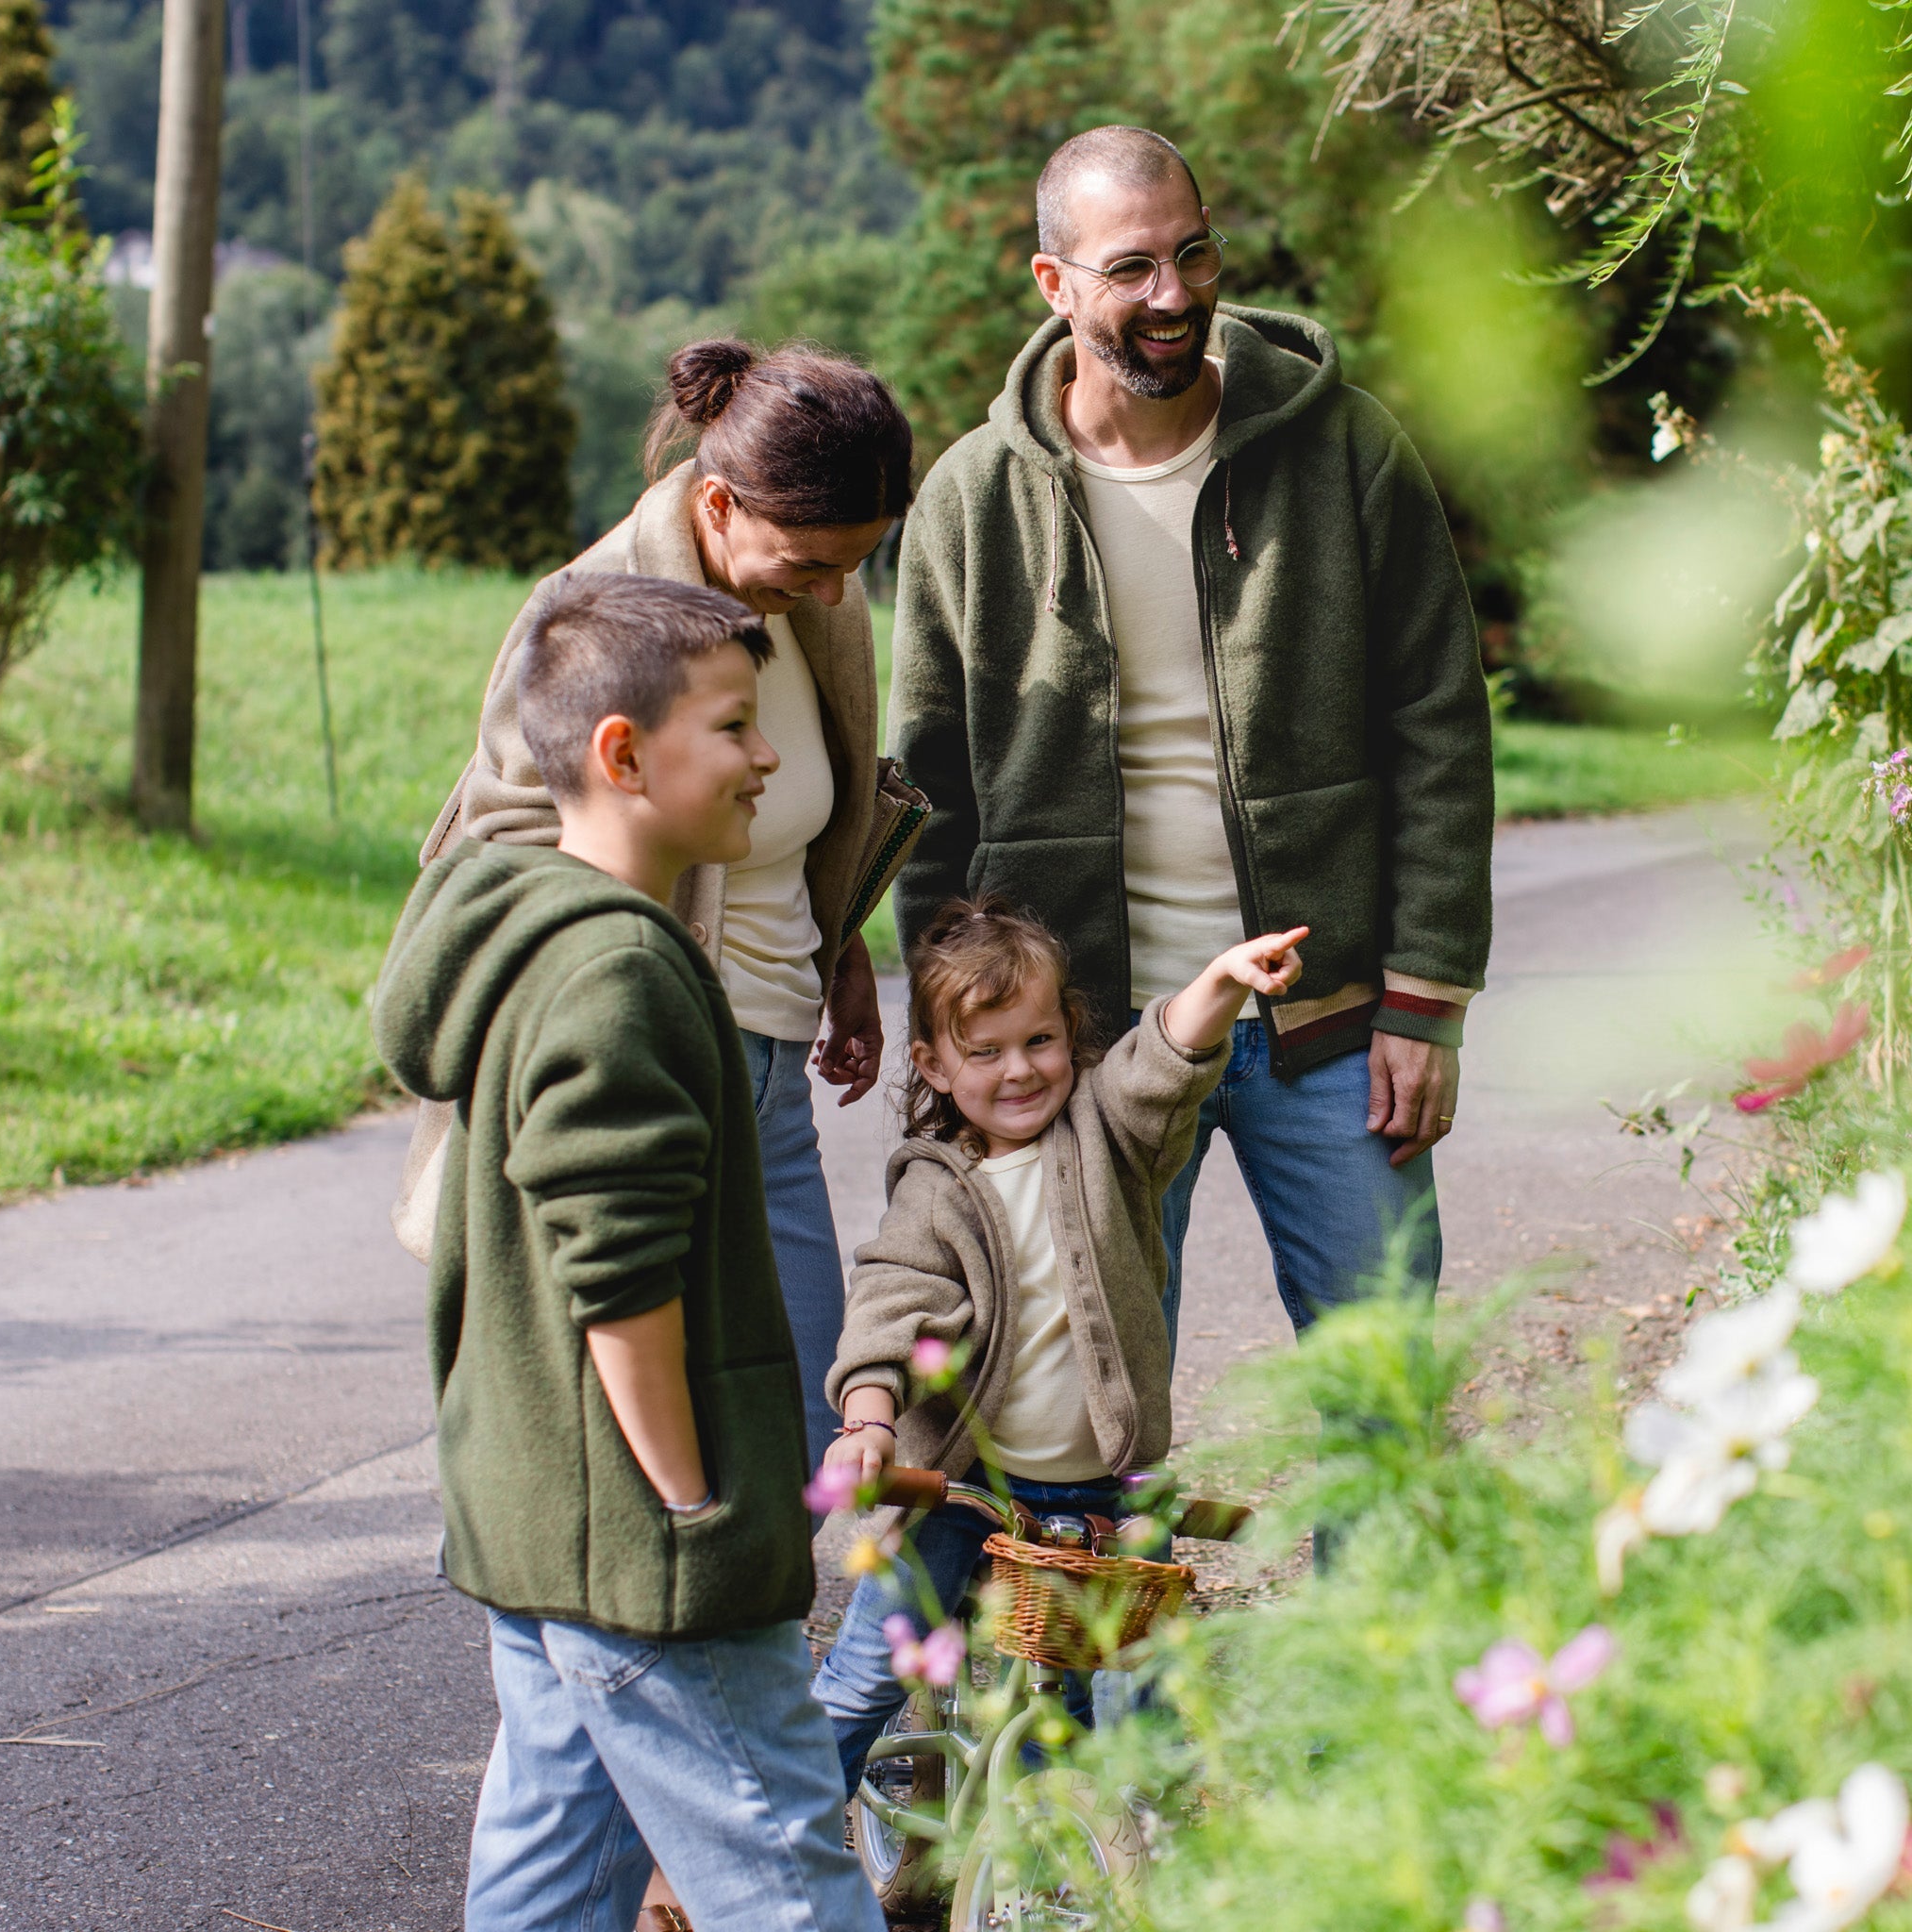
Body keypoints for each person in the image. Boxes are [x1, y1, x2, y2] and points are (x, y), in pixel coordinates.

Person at [889, 125, 1493, 1351]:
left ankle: (1373, 1562)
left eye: (1193, 253)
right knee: (1078, 1406)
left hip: (1324, 1022)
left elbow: (1440, 724)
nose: (1173, 296)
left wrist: (1427, 999)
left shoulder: (1345, 448)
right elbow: (931, 788)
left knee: (1384, 1386)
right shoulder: (972, 499)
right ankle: (1109, 1558)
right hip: (1085, 1036)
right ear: (1054, 286)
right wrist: (950, 1032)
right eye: (1131, 268)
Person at [373, 573, 886, 1932]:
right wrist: (693, 1502)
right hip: (643, 1546)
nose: (768, 753)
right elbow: (618, 1277)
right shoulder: (620, 975)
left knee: (554, 1880)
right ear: (621, 753)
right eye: (733, 726)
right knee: (788, 1883)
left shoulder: (526, 930)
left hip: (541, 1525)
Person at [407, 339, 915, 1477]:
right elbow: (504, 848)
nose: (833, 594)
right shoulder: (593, 616)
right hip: (667, 1056)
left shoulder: (815, 595)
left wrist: (839, 954)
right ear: (720, 503)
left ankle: (764, 1643)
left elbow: (805, 806)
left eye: (855, 566)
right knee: (666, 1436)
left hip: (778, 1067)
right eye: (807, 566)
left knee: (805, 1419)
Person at [809, 896, 1306, 1790]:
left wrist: (1223, 983)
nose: (1019, 1071)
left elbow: (1162, 1064)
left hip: (1097, 1490)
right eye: (985, 1051)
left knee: (1080, 1709)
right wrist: (869, 1422)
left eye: (1039, 1041)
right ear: (931, 1062)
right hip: (961, 1487)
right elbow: (891, 1301)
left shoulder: (1108, 1136)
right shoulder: (936, 1188)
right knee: (863, 1682)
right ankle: (769, 1859)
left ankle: (1049, 1876)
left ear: (1070, 1035)